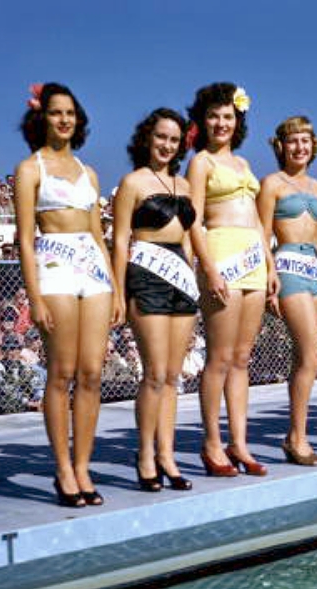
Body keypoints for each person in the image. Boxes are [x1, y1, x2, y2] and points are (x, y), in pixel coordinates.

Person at [14, 82, 121, 508]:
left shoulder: (88, 172)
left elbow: (98, 232)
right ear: (43, 117)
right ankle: (62, 469)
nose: (64, 120)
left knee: (92, 372)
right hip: (54, 265)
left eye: (70, 113)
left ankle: (82, 465)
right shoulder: (30, 169)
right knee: (62, 371)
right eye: (57, 112)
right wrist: (34, 295)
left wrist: (112, 284)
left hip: (91, 268)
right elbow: (24, 238)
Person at [187, 82, 273, 477]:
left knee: (242, 358)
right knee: (219, 358)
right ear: (203, 121)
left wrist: (270, 265)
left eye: (228, 116)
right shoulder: (201, 162)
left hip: (254, 258)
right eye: (214, 116)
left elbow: (257, 219)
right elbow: (194, 221)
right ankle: (212, 443)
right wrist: (208, 267)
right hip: (221, 256)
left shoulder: (244, 164)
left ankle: (239, 442)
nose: (222, 123)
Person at [112, 108, 198, 491]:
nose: (167, 145)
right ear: (148, 138)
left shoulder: (185, 185)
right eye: (161, 137)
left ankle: (167, 454)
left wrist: (194, 277)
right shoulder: (132, 182)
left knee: (173, 377)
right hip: (146, 275)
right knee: (154, 373)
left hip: (180, 275)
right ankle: (145, 454)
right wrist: (119, 290)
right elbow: (118, 241)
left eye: (174, 140)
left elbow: (189, 238)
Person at [257, 116, 317, 465]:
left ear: (313, 145)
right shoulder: (271, 183)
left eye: (305, 140)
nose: (299, 147)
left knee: (306, 358)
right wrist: (269, 276)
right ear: (281, 146)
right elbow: (261, 232)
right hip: (287, 265)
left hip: (314, 269)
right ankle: (296, 437)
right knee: (314, 354)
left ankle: (296, 433)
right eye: (293, 141)